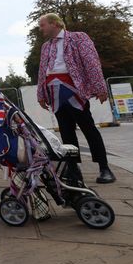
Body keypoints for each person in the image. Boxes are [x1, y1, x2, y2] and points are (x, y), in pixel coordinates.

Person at [36, 13, 115, 184]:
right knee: (66, 132)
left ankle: (104, 167)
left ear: (54, 23)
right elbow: (42, 71)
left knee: (88, 128)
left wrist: (100, 87)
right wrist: (41, 94)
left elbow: (91, 62)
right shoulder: (45, 47)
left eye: (42, 25)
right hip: (54, 91)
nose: (40, 28)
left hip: (73, 89)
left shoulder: (78, 38)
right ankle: (73, 169)